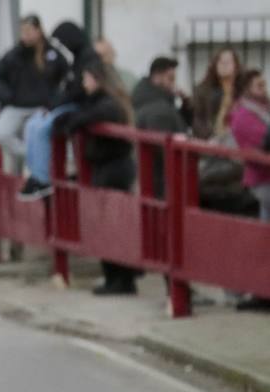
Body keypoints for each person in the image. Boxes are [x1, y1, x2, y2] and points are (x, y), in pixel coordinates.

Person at [54, 61, 137, 296]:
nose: (83, 83)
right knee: (107, 225)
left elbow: (95, 115)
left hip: (114, 169)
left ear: (98, 79)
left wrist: (75, 121)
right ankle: (114, 277)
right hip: (106, 167)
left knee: (114, 226)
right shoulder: (96, 100)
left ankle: (121, 278)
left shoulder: (110, 103)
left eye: (87, 78)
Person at [17, 20, 94, 200]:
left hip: (79, 106)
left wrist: (54, 107)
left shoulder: (88, 59)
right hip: (66, 103)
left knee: (43, 127)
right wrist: (51, 106)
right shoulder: (77, 58)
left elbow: (77, 90)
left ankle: (43, 179)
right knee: (32, 125)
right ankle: (35, 175)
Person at [0, 15, 66, 170]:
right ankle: (34, 154)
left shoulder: (53, 54)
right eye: (23, 31)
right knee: (0, 133)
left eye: (29, 30)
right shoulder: (14, 55)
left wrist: (54, 102)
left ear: (38, 30)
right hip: (17, 105)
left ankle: (36, 175)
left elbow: (64, 80)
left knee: (34, 143)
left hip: (42, 108)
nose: (26, 35)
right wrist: (8, 97)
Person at [229, 69, 270, 311]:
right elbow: (258, 148)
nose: (263, 88)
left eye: (264, 84)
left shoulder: (262, 110)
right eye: (258, 85)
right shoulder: (244, 116)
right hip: (263, 181)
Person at [133, 57, 190, 199]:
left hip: (154, 181)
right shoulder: (159, 109)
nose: (174, 84)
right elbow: (164, 150)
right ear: (157, 78)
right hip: (161, 184)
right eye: (171, 79)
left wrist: (185, 106)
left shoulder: (150, 99)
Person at [192, 47, 243, 140]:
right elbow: (198, 120)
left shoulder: (242, 90)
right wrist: (211, 137)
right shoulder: (203, 90)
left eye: (228, 61)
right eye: (220, 61)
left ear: (236, 65)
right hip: (212, 142)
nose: (224, 64)